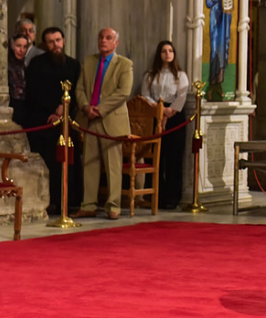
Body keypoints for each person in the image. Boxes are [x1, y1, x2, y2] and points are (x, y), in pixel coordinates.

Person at [73, 28, 134, 220]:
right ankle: (88, 204)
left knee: (112, 165)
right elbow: (80, 89)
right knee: (89, 163)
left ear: (116, 43)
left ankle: (113, 206)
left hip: (110, 119)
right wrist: (85, 107)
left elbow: (123, 92)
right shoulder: (89, 62)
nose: (103, 41)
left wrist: (100, 109)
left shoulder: (124, 64)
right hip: (90, 119)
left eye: (108, 38)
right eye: (101, 37)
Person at [26, 27, 83, 214]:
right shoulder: (36, 64)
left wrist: (64, 108)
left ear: (63, 41)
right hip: (45, 122)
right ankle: (50, 201)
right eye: (51, 42)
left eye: (58, 40)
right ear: (45, 44)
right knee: (49, 162)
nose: (55, 45)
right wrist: (52, 110)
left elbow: (78, 92)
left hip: (67, 121)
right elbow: (33, 93)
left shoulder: (74, 65)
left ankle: (71, 201)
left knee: (70, 161)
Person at [141, 40, 190, 210]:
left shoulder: (180, 75)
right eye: (164, 51)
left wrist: (170, 111)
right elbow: (145, 95)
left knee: (173, 157)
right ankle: (155, 196)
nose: (167, 54)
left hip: (175, 116)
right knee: (156, 156)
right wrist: (159, 110)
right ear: (159, 54)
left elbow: (182, 96)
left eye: (170, 51)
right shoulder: (150, 75)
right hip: (155, 112)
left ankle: (172, 197)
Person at [206, 0, 233, 98]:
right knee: (214, 48)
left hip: (223, 17)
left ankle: (219, 84)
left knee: (222, 49)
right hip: (214, 15)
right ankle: (211, 83)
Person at [8, 33, 29, 127]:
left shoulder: (25, 66)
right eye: (18, 46)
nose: (21, 50)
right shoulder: (6, 66)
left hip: (23, 109)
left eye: (25, 47)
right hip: (9, 107)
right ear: (12, 46)